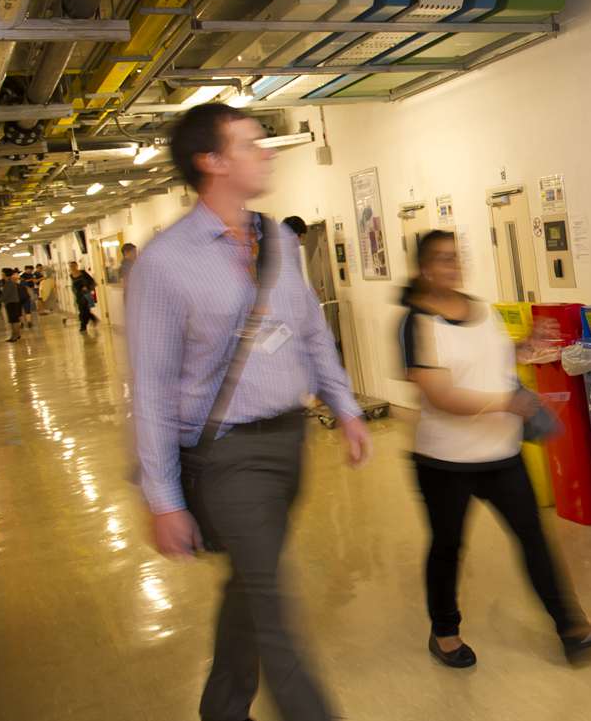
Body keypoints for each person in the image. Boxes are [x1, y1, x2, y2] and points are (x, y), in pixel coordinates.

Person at [127, 103, 372, 721]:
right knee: (271, 602)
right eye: (250, 143)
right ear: (211, 161)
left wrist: (344, 406)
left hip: (289, 441)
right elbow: (151, 389)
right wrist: (163, 499)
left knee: (249, 585)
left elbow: (310, 331)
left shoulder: (278, 240)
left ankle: (221, 708)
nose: (265, 152)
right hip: (227, 458)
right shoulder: (165, 262)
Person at [399, 229, 591, 669]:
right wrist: (505, 403)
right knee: (448, 547)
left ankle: (573, 630)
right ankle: (445, 632)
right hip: (445, 462)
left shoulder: (482, 310)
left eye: (457, 256)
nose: (453, 265)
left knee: (534, 540)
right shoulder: (417, 323)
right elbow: (440, 396)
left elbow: (496, 362)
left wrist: (526, 345)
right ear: (425, 269)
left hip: (501, 453)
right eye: (443, 259)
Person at [70, 262, 98, 332]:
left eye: (73, 266)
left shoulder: (82, 272)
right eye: (71, 266)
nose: (72, 268)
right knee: (83, 310)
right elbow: (74, 285)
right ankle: (93, 319)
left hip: (86, 293)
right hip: (79, 294)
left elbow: (91, 280)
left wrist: (87, 286)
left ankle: (83, 326)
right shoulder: (71, 275)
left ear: (76, 266)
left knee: (84, 310)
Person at [1, 269, 21, 342]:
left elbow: (6, 294)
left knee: (13, 320)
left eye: (3, 274)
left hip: (11, 303)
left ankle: (14, 336)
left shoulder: (9, 283)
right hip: (13, 303)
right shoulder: (10, 282)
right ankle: (17, 335)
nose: (2, 275)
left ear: (6, 275)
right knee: (14, 320)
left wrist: (0, 300)